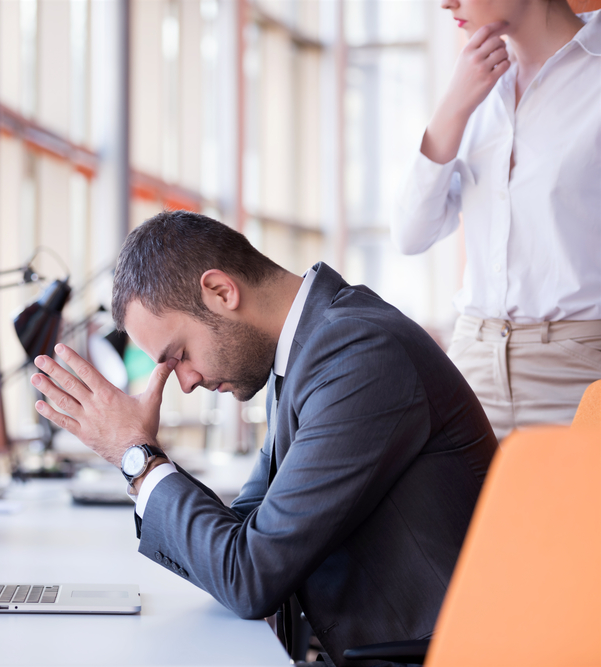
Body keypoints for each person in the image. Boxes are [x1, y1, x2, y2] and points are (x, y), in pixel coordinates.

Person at [30, 211, 497, 667]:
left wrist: (138, 457)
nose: (187, 383)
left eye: (181, 355)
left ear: (220, 291)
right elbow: (242, 533)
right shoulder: (305, 352)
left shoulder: (358, 355)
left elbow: (249, 575)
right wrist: (140, 454)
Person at [393, 0, 601, 442]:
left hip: (580, 370)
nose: (446, 2)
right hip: (471, 364)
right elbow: (411, 234)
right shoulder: (474, 86)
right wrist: (452, 108)